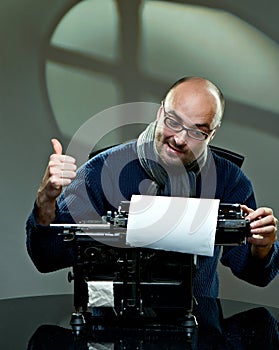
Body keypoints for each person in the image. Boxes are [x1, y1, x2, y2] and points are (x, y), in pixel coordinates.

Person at [26, 76, 278, 297]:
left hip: (196, 325)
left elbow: (255, 275)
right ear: (159, 113)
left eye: (197, 132)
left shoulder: (229, 179)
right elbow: (46, 258)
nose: (179, 139)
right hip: (113, 328)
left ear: (212, 134)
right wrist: (45, 202)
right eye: (173, 121)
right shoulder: (101, 169)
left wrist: (263, 245)